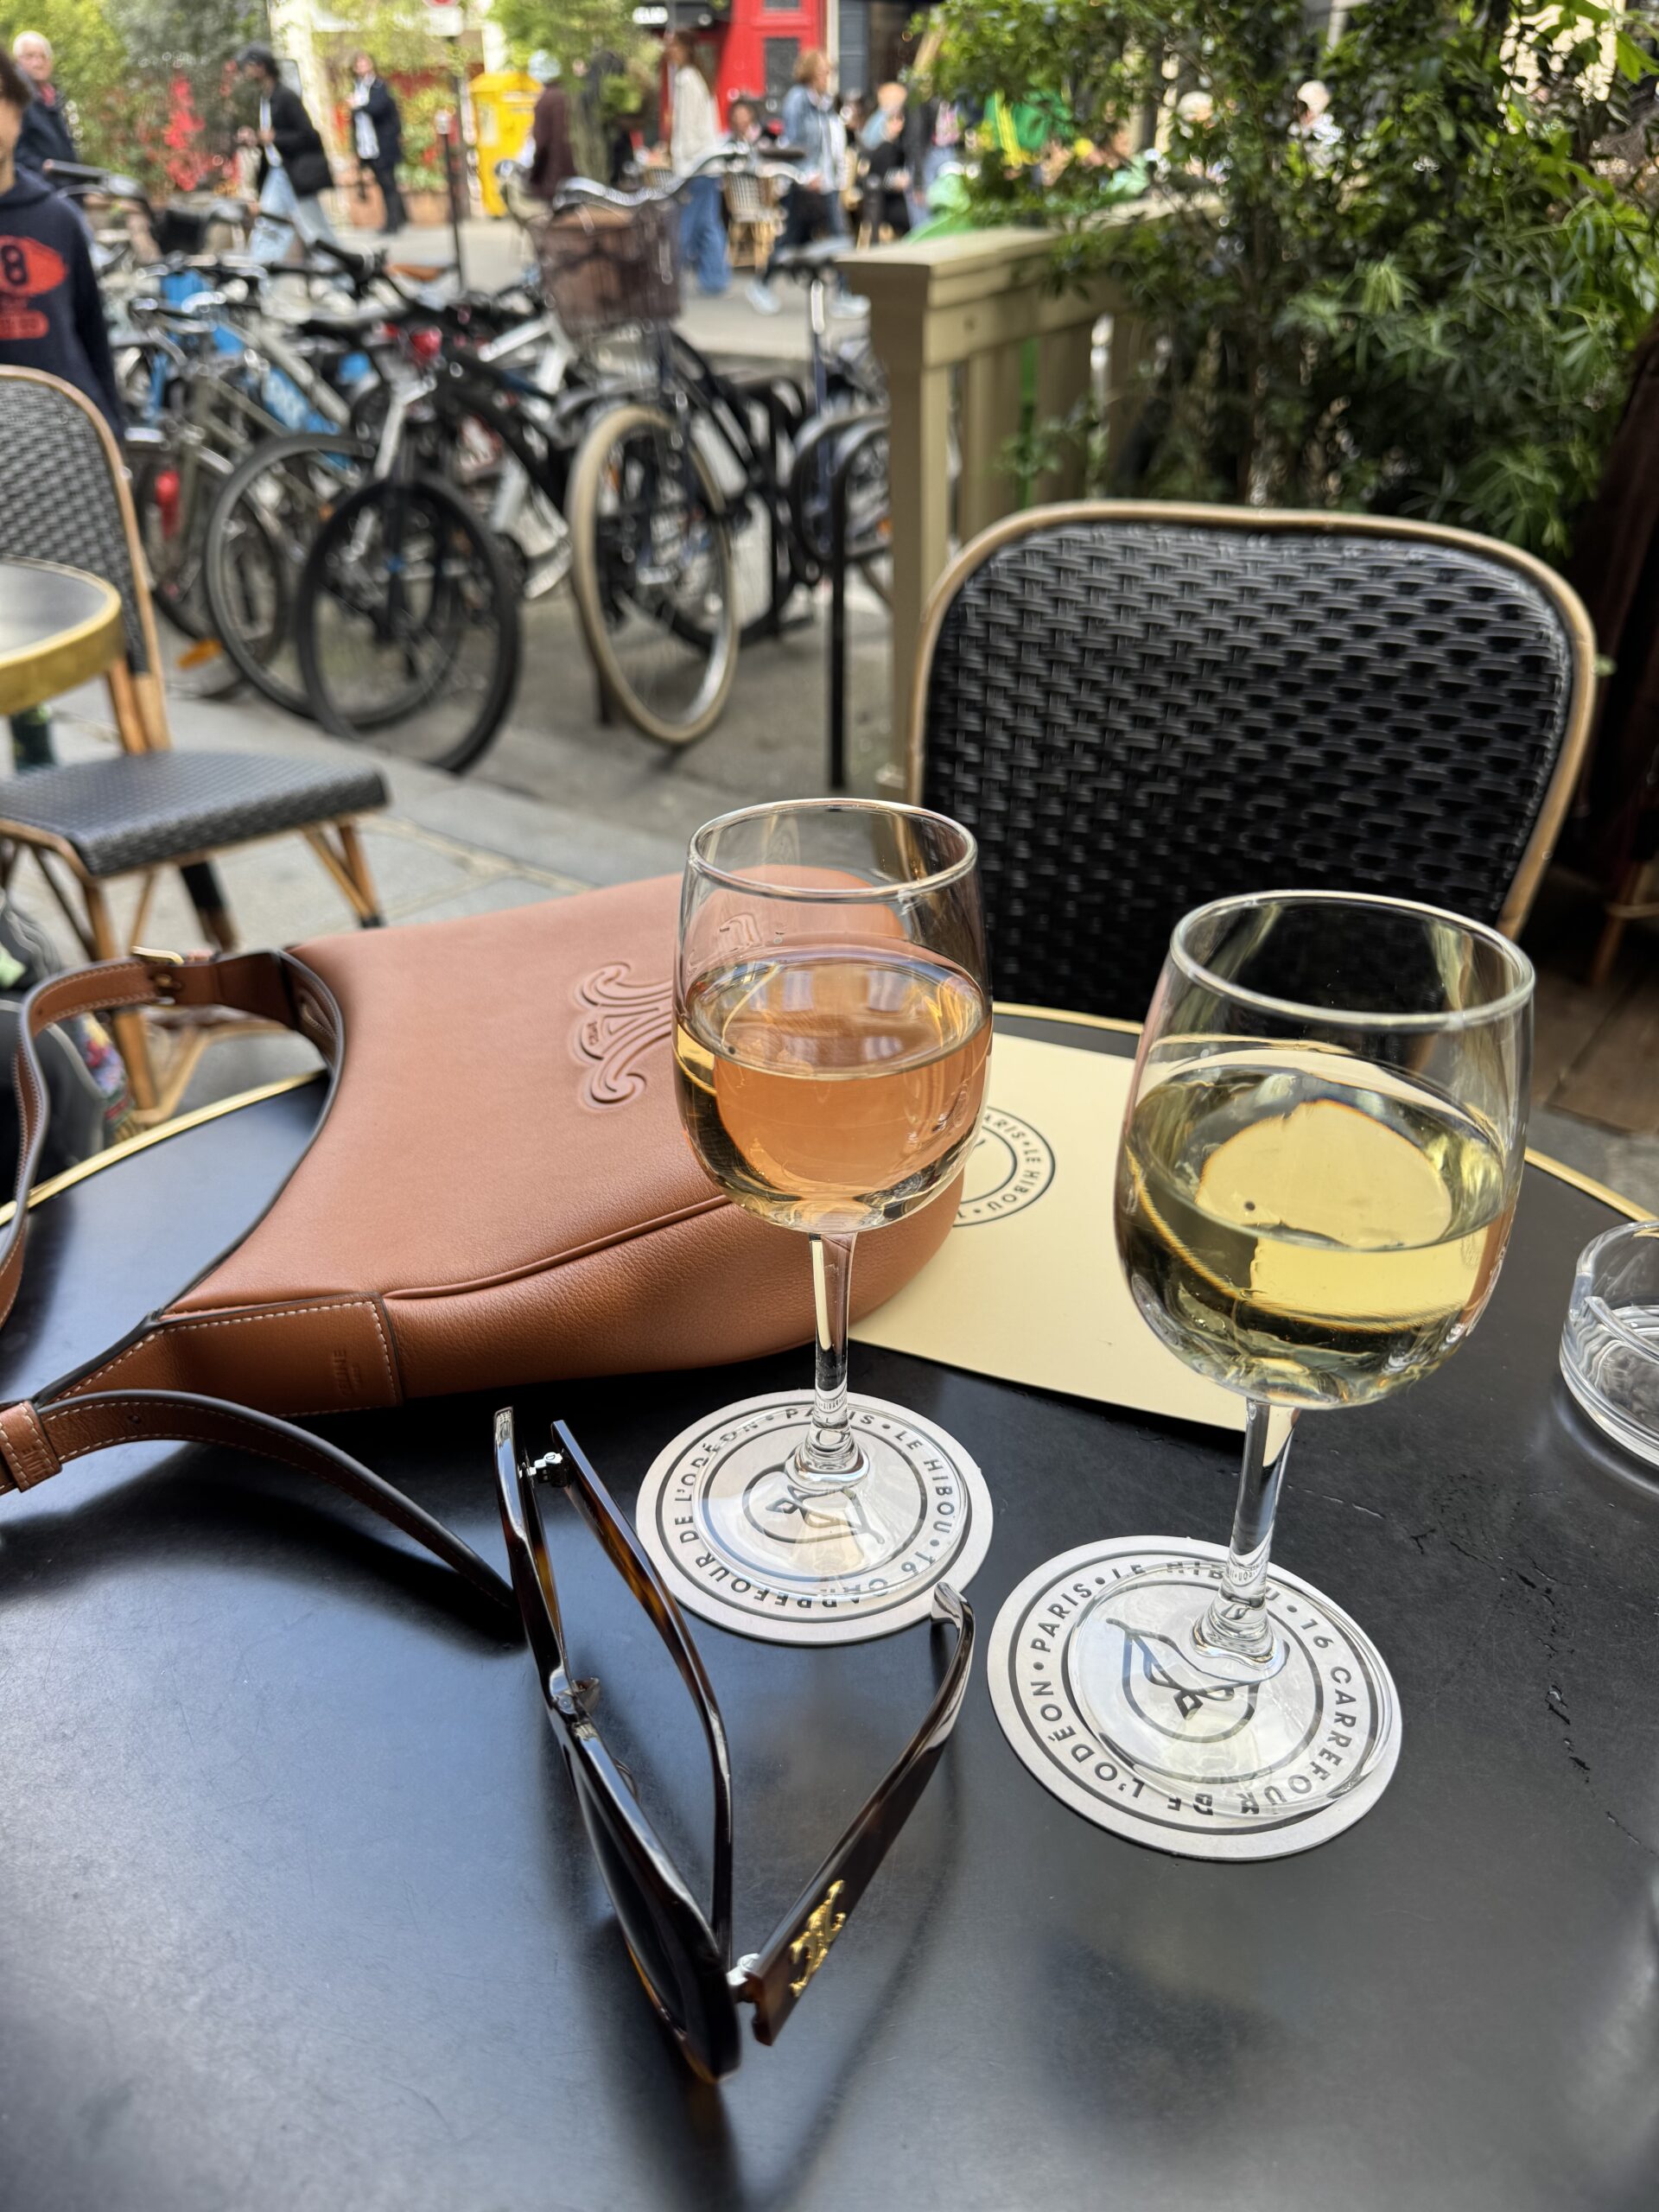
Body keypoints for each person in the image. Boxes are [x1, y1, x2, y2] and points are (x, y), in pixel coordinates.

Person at [0, 47, 122, 771]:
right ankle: (32, 750)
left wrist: (110, 437)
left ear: (19, 113)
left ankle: (43, 768)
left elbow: (93, 338)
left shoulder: (58, 220)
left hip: (60, 458)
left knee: (56, 618)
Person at [753, 48, 861, 315]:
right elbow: (793, 143)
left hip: (826, 183)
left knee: (830, 236)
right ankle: (764, 285)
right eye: (824, 71)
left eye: (829, 71)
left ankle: (843, 293)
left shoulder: (825, 102)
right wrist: (806, 174)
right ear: (811, 72)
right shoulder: (797, 100)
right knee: (800, 238)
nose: (828, 76)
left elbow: (830, 142)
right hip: (805, 183)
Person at [234, 44, 338, 265]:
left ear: (260, 66)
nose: (246, 72)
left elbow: (308, 135)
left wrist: (275, 137)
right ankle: (259, 274)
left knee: (316, 230)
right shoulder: (266, 98)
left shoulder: (285, 96)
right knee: (268, 226)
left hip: (295, 174)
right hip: (279, 172)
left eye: (248, 66)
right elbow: (271, 138)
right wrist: (256, 138)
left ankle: (341, 273)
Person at [664, 33, 727, 297]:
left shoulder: (686, 79)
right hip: (708, 165)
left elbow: (687, 129)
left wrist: (679, 159)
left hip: (694, 166)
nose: (669, 52)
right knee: (708, 224)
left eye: (673, 46)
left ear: (686, 49)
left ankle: (671, 276)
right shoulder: (699, 77)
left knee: (685, 224)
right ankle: (715, 278)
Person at [348, 51, 404, 237]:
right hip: (366, 145)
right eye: (359, 64)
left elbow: (377, 108)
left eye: (365, 63)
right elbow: (354, 123)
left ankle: (393, 223)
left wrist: (358, 105)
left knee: (388, 183)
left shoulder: (379, 85)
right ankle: (396, 218)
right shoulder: (357, 87)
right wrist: (355, 148)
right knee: (383, 183)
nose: (362, 67)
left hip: (382, 145)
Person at [10, 31, 72, 175]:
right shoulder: (15, 100)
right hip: (35, 182)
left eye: (43, 57)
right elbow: (13, 148)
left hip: (67, 180)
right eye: (30, 56)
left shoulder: (55, 99)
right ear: (17, 61)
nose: (38, 63)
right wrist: (41, 167)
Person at [855, 106, 912, 240]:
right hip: (885, 205)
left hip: (895, 201)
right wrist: (896, 182)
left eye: (900, 120)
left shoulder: (900, 148)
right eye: (893, 121)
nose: (897, 125)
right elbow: (878, 179)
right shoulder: (884, 149)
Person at [525, 54, 575, 202]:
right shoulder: (568, 95)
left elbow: (542, 142)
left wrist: (534, 176)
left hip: (554, 175)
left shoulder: (546, 101)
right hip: (573, 172)